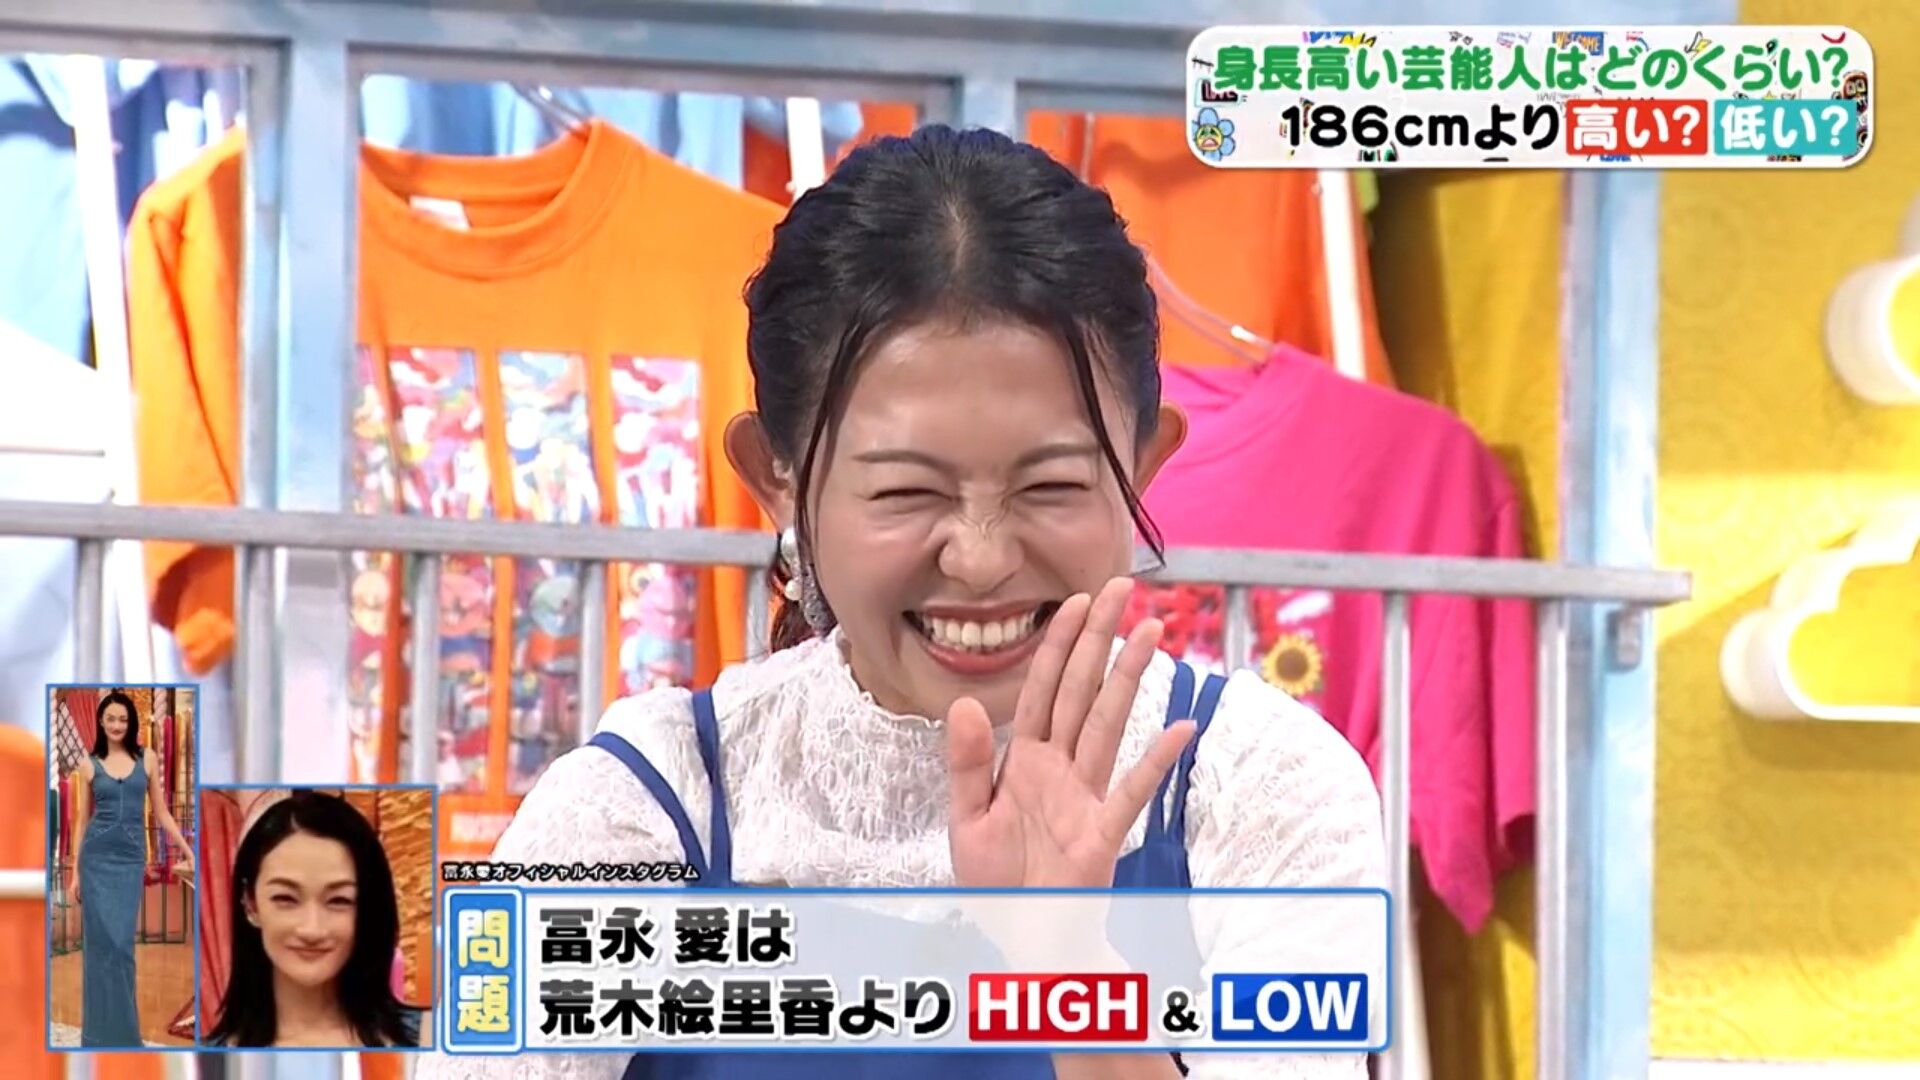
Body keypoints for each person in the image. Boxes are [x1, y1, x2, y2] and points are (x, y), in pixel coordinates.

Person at [416, 124, 1386, 1080]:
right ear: (778, 479)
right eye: (906, 492)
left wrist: (1071, 975)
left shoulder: (1260, 788)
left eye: (1050, 485)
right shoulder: (632, 803)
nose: (980, 558)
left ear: (1142, 465)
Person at [201, 790, 424, 1047]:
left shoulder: (434, 1037)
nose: (312, 929)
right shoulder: (208, 1057)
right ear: (250, 904)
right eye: (285, 898)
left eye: (338, 900)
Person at [69, 690, 195, 1047]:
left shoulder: (148, 758)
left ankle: (125, 1034)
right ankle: (96, 1035)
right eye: (110, 718)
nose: (116, 725)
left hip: (128, 860)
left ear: (131, 722)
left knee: (121, 947)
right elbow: (81, 822)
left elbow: (162, 812)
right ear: (100, 721)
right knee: (99, 948)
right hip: (96, 860)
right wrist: (76, 873)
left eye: (123, 719)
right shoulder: (89, 763)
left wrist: (189, 850)